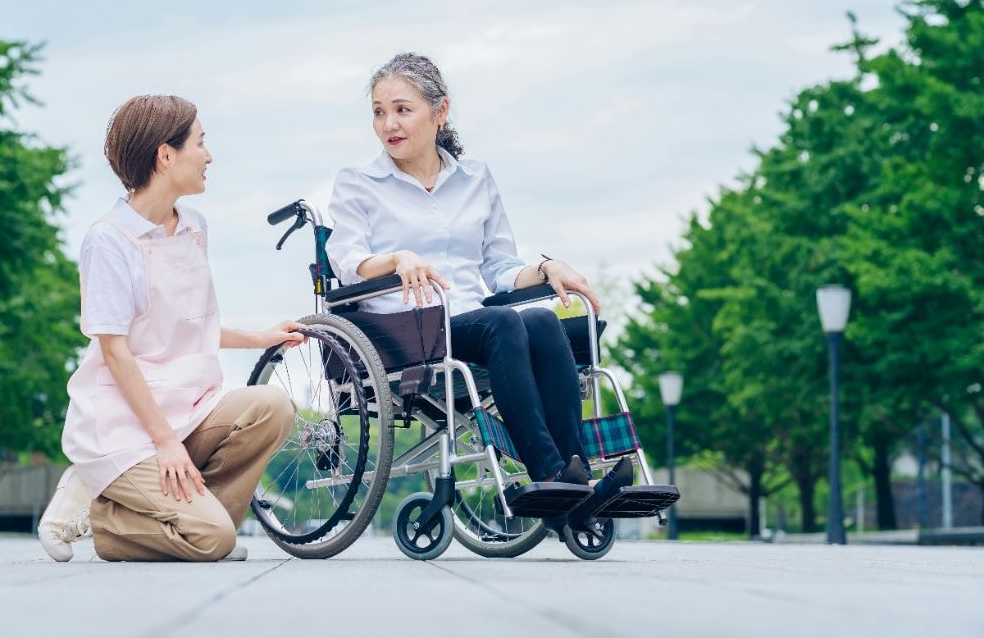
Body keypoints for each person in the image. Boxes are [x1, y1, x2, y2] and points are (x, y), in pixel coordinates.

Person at [326, 53, 633, 522]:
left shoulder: (476, 180)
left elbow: (499, 266)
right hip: (402, 328)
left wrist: (547, 269)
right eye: (378, 111)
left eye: (402, 109)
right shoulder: (359, 183)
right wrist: (396, 259)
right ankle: (547, 473)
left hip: (472, 319)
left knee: (545, 321)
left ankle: (574, 473)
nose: (389, 123)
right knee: (503, 323)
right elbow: (345, 261)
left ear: (440, 111)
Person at [37, 94, 302, 563]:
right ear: (166, 155)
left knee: (272, 406)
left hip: (187, 409)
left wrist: (260, 336)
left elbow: (186, 326)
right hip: (122, 429)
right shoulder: (109, 241)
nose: (209, 156)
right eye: (200, 143)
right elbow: (116, 353)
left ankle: (198, 523)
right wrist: (163, 442)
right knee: (214, 541)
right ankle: (102, 512)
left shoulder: (192, 226)